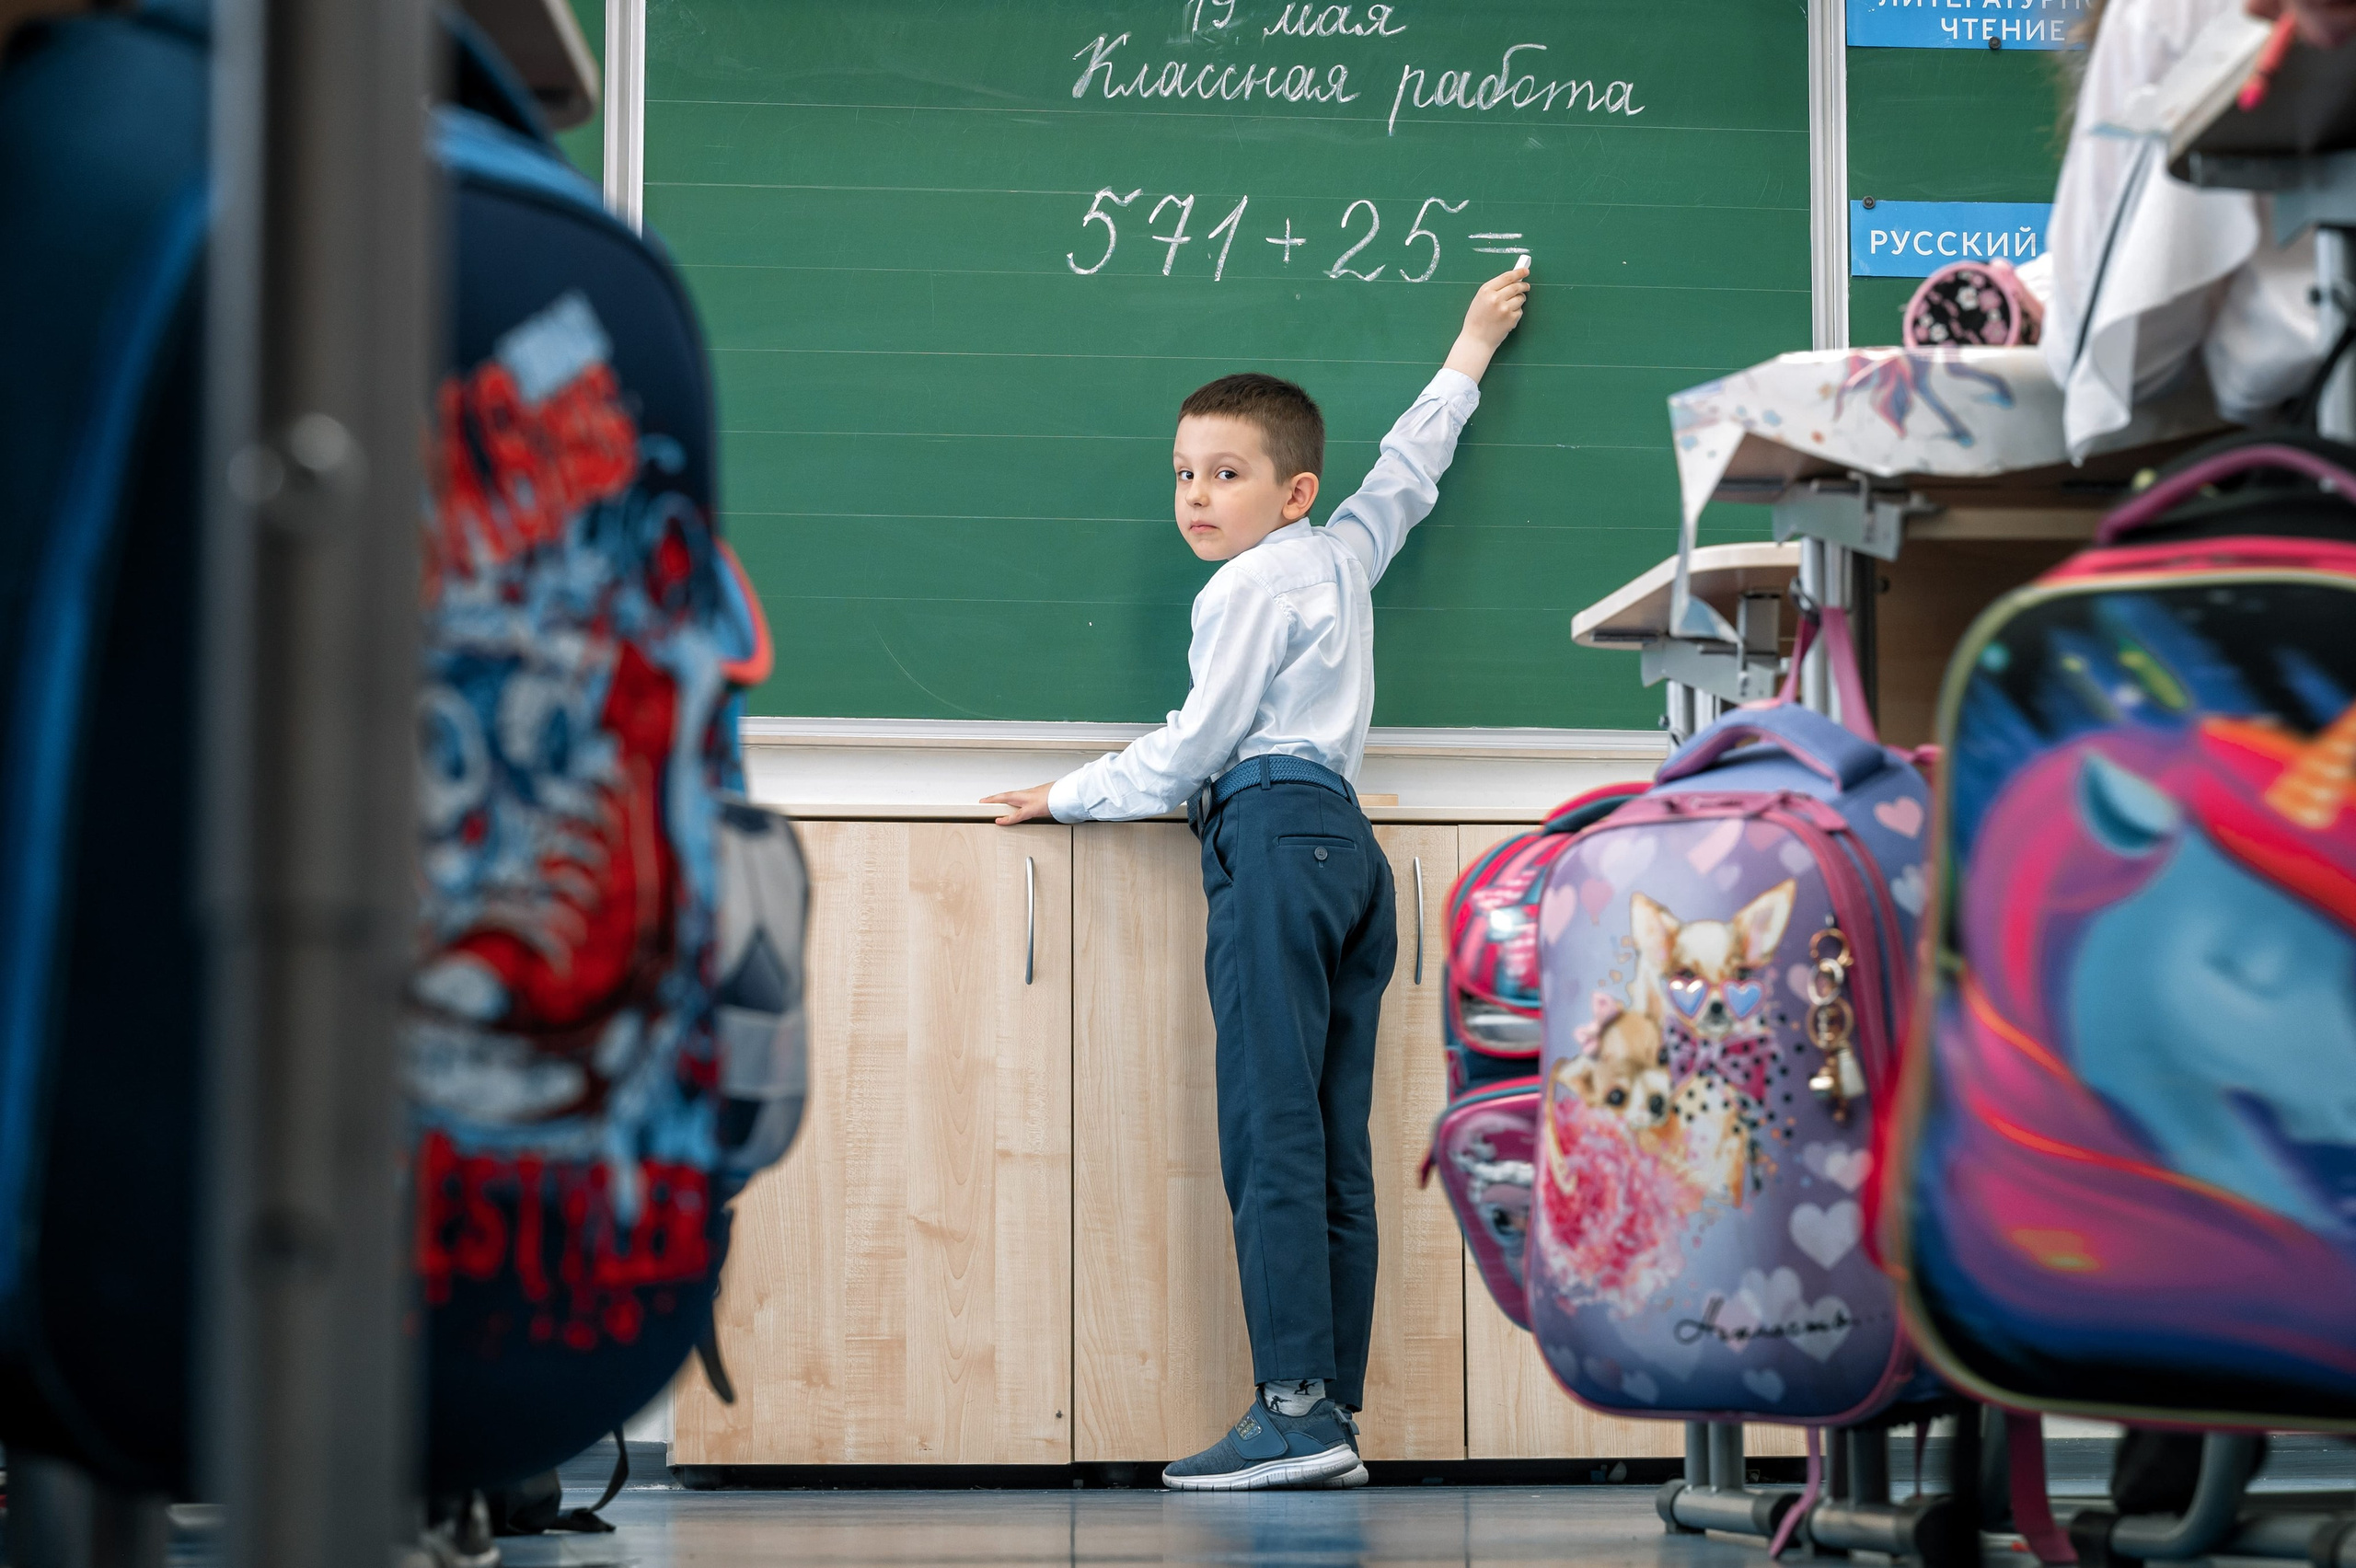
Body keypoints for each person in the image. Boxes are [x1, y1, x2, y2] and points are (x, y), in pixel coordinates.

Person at [984, 266, 1530, 1491]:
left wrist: (1067, 791)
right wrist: (1468, 351)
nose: (1195, 495)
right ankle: (1327, 1411)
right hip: (1348, 858)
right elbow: (1408, 473)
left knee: (1268, 1131)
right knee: (1330, 1143)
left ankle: (1292, 1411)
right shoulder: (1338, 553)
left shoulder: (1245, 584)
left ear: (1290, 492)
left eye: (1224, 474)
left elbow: (1197, 745)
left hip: (1275, 838)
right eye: (1183, 472)